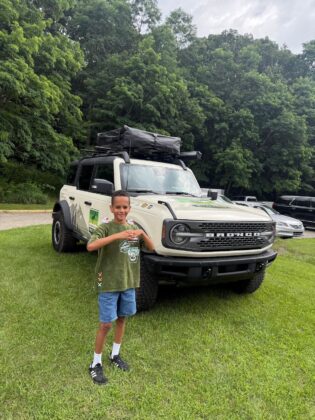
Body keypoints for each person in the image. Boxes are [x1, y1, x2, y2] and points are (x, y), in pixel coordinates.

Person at [87, 190, 154, 385]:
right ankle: (95, 363)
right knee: (106, 323)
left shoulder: (134, 229)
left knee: (122, 319)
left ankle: (115, 355)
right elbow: (91, 246)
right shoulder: (106, 227)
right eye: (118, 207)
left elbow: (151, 248)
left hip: (128, 283)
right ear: (111, 208)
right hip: (107, 282)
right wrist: (118, 236)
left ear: (129, 208)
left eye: (125, 207)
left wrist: (141, 232)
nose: (121, 210)